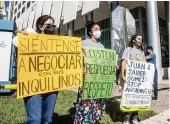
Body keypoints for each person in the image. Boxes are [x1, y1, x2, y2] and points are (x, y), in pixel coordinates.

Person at [15, 15, 58, 124]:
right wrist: (21, 38)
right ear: (40, 26)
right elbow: (19, 57)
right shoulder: (30, 35)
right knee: (34, 120)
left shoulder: (57, 42)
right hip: (33, 86)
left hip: (51, 86)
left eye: (53, 25)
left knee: (47, 120)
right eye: (48, 25)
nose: (51, 27)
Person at [74, 20, 105, 124]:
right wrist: (79, 69)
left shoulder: (101, 46)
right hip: (86, 78)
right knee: (85, 101)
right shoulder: (84, 43)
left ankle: (94, 119)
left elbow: (104, 61)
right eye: (96, 29)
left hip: (98, 79)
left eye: (99, 29)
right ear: (90, 32)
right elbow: (76, 59)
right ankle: (83, 120)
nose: (98, 31)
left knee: (97, 101)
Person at [120, 34, 146, 124]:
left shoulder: (142, 52)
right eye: (139, 38)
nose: (140, 40)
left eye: (141, 39)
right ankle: (126, 119)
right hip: (129, 78)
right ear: (134, 40)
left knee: (137, 98)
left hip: (139, 79)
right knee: (129, 98)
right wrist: (123, 75)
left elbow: (145, 66)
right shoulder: (128, 49)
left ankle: (135, 117)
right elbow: (124, 61)